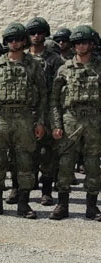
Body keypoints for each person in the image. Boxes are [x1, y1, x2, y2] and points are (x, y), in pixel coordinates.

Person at [0, 22, 47, 219]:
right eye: (10, 39)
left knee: (25, 160)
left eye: (18, 39)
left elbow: (43, 95)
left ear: (24, 41)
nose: (14, 42)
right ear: (6, 42)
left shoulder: (33, 65)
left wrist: (41, 121)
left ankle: (23, 204)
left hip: (25, 117)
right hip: (0, 117)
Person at [49, 25, 101, 220]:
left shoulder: (99, 67)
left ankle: (92, 206)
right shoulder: (64, 69)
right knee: (65, 162)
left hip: (94, 120)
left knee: (93, 163)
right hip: (70, 118)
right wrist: (56, 125)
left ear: (92, 44)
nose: (80, 46)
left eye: (84, 42)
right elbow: (54, 101)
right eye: (77, 43)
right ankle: (62, 204)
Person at [26, 17, 65, 206]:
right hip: (26, 111)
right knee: (22, 151)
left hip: (48, 109)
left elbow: (59, 88)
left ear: (45, 34)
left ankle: (46, 191)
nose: (36, 36)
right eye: (32, 33)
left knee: (47, 153)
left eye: (39, 32)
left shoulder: (55, 59)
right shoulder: (22, 57)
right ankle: (21, 188)